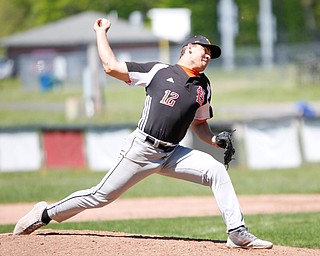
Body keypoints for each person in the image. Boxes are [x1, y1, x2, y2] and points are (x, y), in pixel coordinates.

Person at [13, 18, 273, 250]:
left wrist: (215, 140)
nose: (208, 56)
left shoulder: (203, 86)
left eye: (210, 54)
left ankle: (237, 232)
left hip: (172, 153)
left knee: (216, 171)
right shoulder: (159, 71)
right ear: (189, 49)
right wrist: (101, 33)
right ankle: (44, 214)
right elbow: (110, 67)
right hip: (141, 149)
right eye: (205, 50)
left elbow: (200, 125)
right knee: (99, 196)